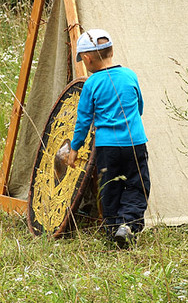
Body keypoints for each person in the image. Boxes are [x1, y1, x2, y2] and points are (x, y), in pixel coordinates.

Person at [67, 29, 150, 248]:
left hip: (107, 148)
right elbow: (139, 107)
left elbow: (83, 120)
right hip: (135, 142)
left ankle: (113, 229)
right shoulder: (130, 75)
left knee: (109, 186)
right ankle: (128, 225)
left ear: (87, 58)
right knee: (137, 184)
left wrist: (75, 148)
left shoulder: (91, 84)